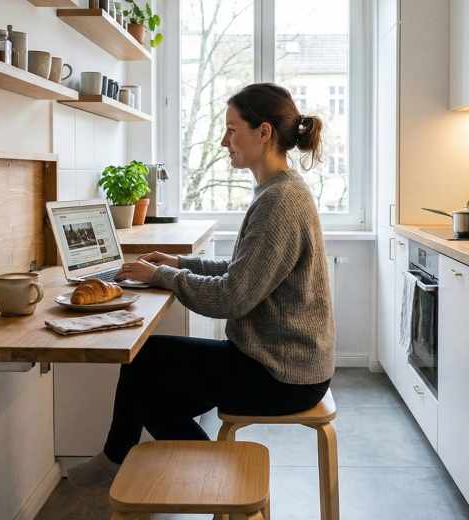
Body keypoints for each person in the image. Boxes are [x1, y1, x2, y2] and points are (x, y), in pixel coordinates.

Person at [69, 82, 336, 493]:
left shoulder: (278, 201)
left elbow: (233, 296)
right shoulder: (281, 190)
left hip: (282, 374)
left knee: (145, 370)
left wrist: (163, 277)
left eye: (231, 129)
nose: (223, 140)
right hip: (283, 362)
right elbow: (245, 270)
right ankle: (207, 476)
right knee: (149, 376)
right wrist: (179, 263)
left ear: (263, 132)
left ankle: (212, 480)